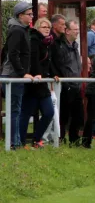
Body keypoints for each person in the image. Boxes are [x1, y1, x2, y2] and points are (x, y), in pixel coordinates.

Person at [19, 18, 56, 148]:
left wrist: (54, 74)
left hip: (42, 83)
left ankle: (36, 139)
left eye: (48, 27)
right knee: (25, 114)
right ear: (37, 28)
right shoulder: (34, 39)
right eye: (44, 27)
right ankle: (21, 141)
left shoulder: (47, 42)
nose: (47, 29)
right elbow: (33, 59)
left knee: (49, 112)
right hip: (33, 83)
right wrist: (37, 73)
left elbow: (48, 61)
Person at [1, 2, 34, 149]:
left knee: (16, 109)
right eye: (29, 14)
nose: (32, 16)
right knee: (15, 110)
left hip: (14, 75)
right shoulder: (17, 30)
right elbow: (12, 54)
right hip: (12, 76)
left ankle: (16, 142)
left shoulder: (22, 29)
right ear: (20, 15)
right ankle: (14, 143)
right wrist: (22, 73)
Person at [50, 19, 84, 145]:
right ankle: (61, 138)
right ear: (67, 31)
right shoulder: (59, 45)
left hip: (76, 84)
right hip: (66, 84)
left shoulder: (75, 45)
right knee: (63, 114)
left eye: (78, 30)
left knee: (77, 114)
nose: (77, 32)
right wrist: (65, 80)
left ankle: (74, 140)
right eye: (75, 30)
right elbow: (61, 65)